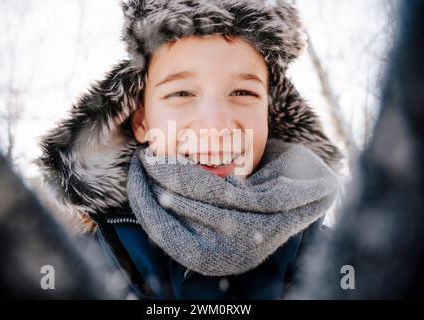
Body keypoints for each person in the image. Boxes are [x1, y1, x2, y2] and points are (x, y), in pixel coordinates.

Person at [38, 0, 342, 299]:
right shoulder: (73, 264)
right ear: (140, 120)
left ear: (269, 113)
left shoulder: (341, 262)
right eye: (181, 92)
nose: (215, 125)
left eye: (243, 92)